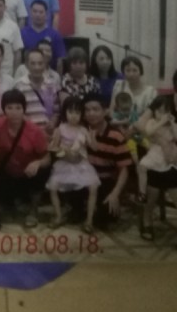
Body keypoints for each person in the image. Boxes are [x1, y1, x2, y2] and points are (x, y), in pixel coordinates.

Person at [0, 89, 50, 228]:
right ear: (3, 109)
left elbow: (47, 158)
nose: (14, 112)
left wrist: (37, 162)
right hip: (5, 173)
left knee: (41, 172)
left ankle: (33, 211)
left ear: (24, 109)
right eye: (9, 107)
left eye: (18, 108)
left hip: (27, 174)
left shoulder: (34, 131)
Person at [47, 97, 101, 233]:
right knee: (53, 187)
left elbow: (94, 148)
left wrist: (93, 137)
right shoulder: (60, 128)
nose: (74, 116)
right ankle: (58, 216)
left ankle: (89, 221)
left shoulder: (83, 129)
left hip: (81, 165)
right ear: (65, 112)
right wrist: (62, 149)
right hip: (64, 163)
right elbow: (52, 148)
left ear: (81, 114)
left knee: (93, 187)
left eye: (77, 112)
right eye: (70, 112)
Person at [83, 93, 132, 228]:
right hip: (85, 177)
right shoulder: (82, 131)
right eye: (87, 110)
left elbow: (124, 169)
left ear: (105, 111)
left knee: (106, 218)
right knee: (76, 212)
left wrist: (115, 193)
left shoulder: (115, 136)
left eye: (95, 109)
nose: (91, 113)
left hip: (106, 180)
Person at [137, 78, 177, 241]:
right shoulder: (163, 101)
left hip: (174, 157)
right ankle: (147, 219)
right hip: (157, 154)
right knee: (153, 187)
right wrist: (162, 141)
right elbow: (140, 125)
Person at [15, 49, 60, 130]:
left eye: (40, 63)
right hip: (28, 131)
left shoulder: (51, 84)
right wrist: (34, 129)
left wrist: (53, 122)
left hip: (48, 132)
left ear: (44, 64)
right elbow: (17, 112)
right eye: (33, 63)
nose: (37, 67)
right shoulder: (19, 86)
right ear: (26, 65)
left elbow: (56, 110)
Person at [20, 0, 66, 70]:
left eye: (41, 12)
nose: (37, 15)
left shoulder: (55, 35)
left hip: (49, 73)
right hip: (26, 72)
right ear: (30, 13)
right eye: (35, 11)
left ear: (46, 14)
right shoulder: (22, 33)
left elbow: (60, 60)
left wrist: (58, 76)